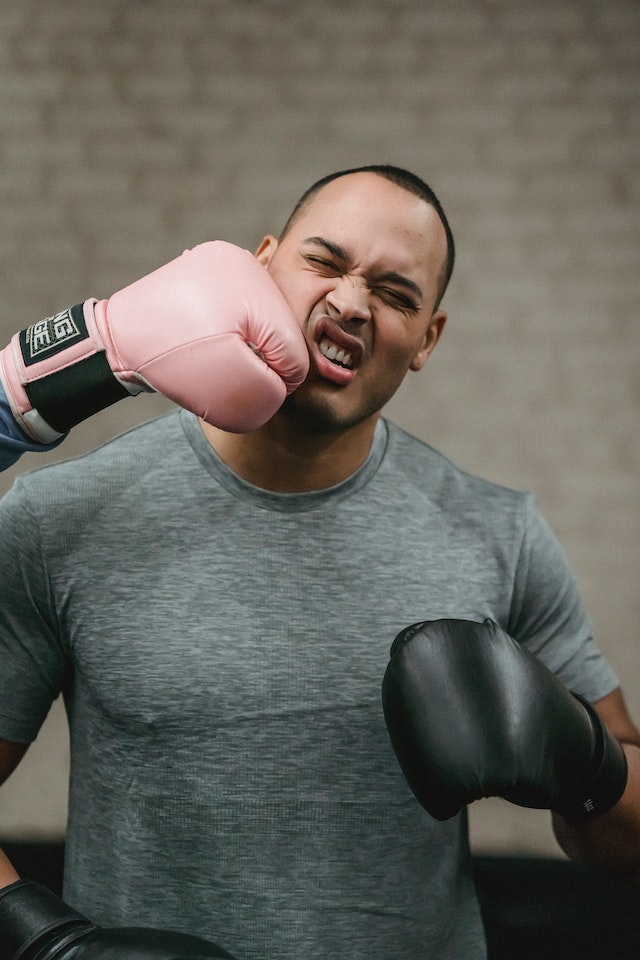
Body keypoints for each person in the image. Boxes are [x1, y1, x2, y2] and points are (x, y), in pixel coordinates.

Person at [0, 165, 638, 960]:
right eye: (325, 262)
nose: (349, 303)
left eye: (397, 295)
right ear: (260, 263)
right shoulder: (61, 517)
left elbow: (625, 844)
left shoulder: (499, 535)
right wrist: (39, 943)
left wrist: (584, 759)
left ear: (427, 342)